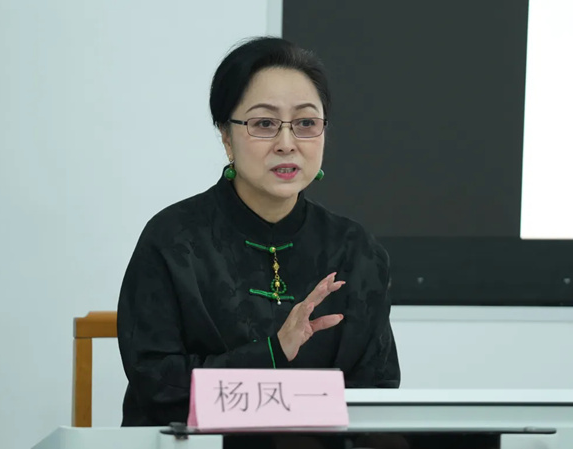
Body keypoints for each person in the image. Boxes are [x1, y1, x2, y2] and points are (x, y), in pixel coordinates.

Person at [117, 36, 400, 427]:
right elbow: (156, 386)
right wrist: (273, 352)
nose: (287, 144)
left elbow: (376, 395)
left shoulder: (357, 251)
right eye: (264, 123)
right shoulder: (172, 241)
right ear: (225, 134)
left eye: (305, 123)